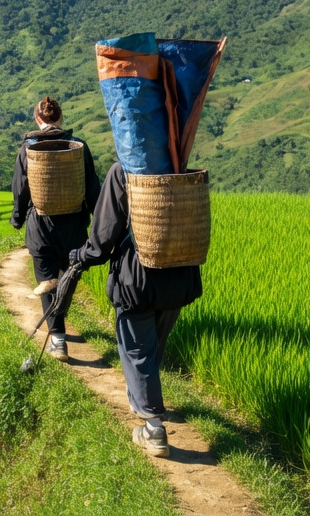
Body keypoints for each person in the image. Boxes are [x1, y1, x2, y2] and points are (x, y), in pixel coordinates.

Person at [67, 161, 202, 457]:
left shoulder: (124, 172)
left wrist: (81, 256)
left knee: (138, 352)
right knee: (152, 347)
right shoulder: (184, 173)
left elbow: (103, 235)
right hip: (179, 276)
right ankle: (140, 399)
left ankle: (153, 429)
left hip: (138, 281)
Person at [11, 96, 100, 361]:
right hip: (73, 228)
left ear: (38, 120)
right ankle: (58, 323)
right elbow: (92, 187)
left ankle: (58, 339)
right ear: (61, 118)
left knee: (47, 281)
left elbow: (20, 188)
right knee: (67, 278)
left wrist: (17, 218)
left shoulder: (28, 148)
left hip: (41, 228)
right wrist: (101, 222)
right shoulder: (79, 146)